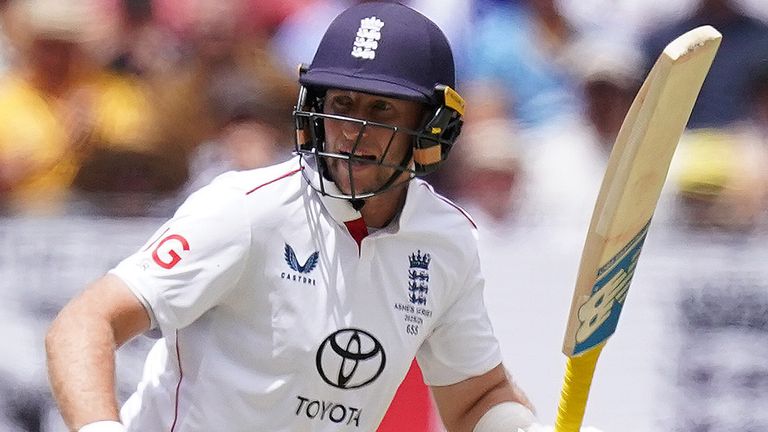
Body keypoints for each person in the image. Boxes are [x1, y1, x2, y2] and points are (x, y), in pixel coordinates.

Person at [46, 3, 581, 431]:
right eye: (342, 104)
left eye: (381, 111)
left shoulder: (445, 240)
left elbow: (476, 399)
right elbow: (84, 323)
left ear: (431, 126)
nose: (353, 130)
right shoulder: (245, 209)